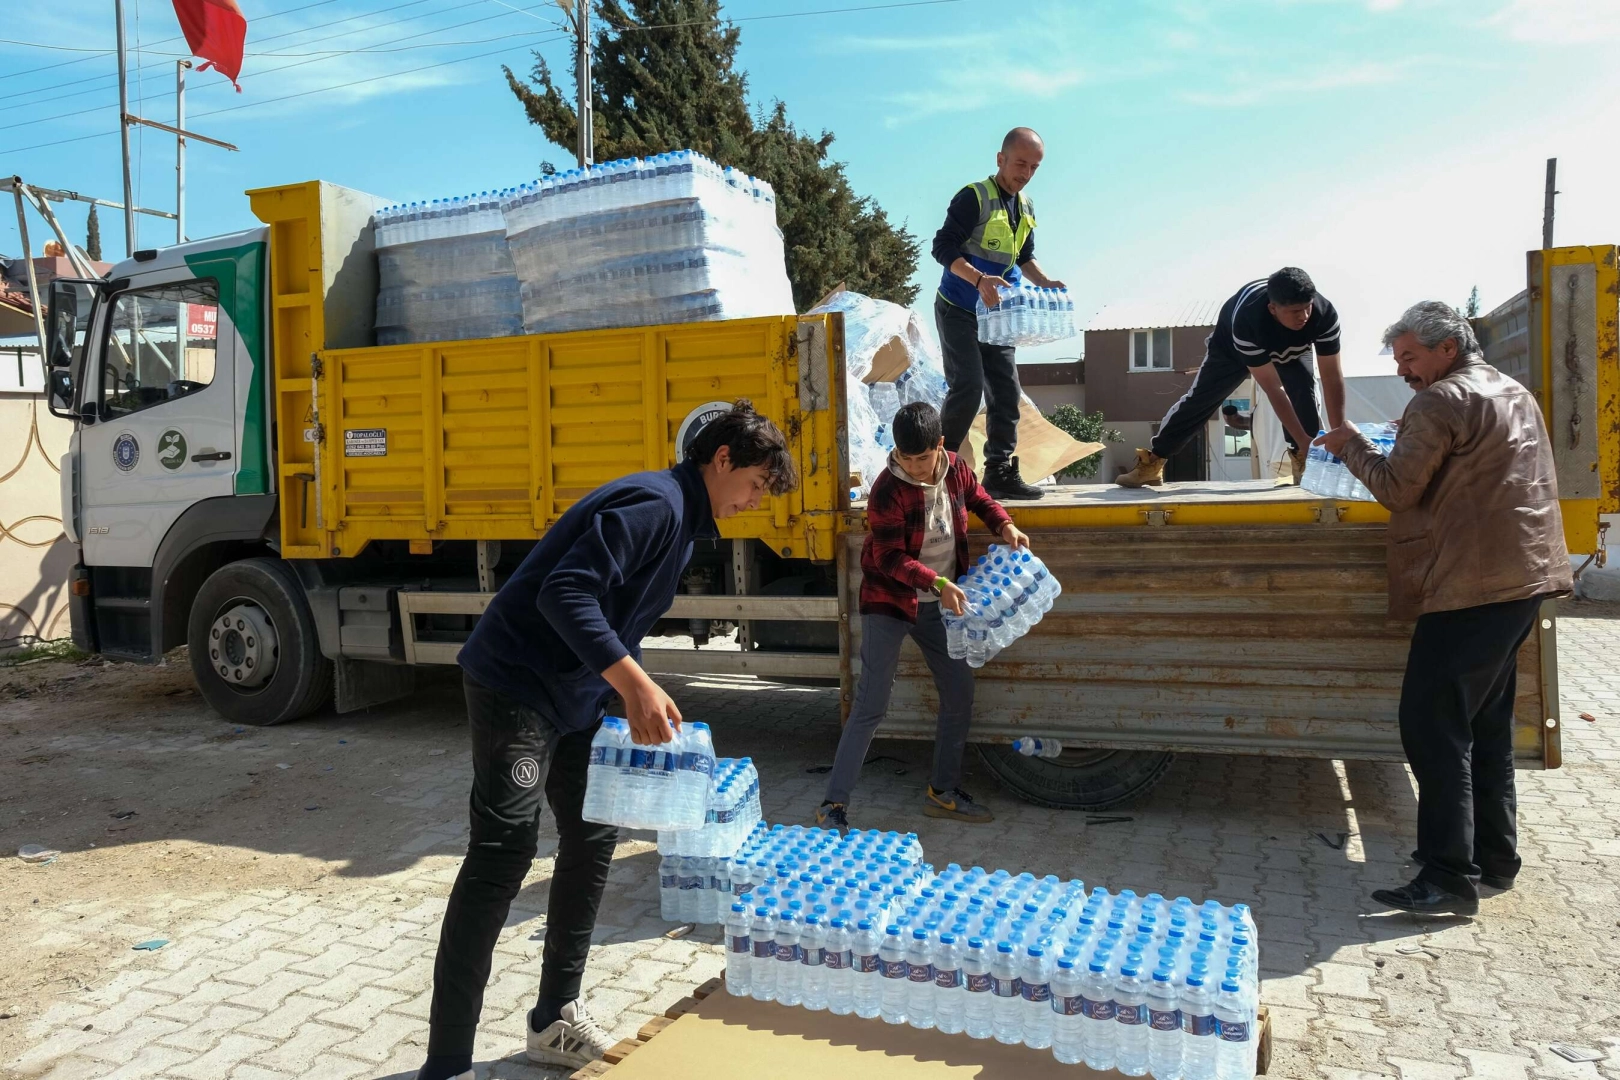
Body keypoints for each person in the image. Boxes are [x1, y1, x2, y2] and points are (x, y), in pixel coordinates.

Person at [414, 402, 798, 1080]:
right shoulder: (654, 504)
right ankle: (447, 1064)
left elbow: (612, 615)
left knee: (592, 836)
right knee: (502, 854)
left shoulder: (682, 522)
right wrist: (634, 685)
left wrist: (629, 688)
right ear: (722, 460)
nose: (754, 502)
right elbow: (564, 595)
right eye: (757, 485)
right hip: (516, 689)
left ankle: (554, 1019)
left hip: (573, 697)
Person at [1316, 302, 1572, 916]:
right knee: (1484, 726)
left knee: (1432, 726)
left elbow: (1399, 489)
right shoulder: (1512, 391)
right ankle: (1493, 856)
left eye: (1410, 357)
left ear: (1446, 349)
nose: (1404, 369)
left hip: (1470, 584)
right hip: (1523, 578)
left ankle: (1446, 878)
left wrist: (1351, 445)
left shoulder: (1441, 400)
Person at [816, 401, 1030, 831]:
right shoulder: (886, 490)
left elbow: (980, 498)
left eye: (922, 457)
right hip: (890, 604)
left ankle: (942, 792)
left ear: (941, 446)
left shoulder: (956, 467)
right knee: (871, 704)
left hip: (941, 606)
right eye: (904, 457)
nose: (913, 466)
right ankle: (833, 804)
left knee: (959, 693)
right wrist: (937, 583)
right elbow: (888, 557)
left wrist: (1004, 524)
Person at [932, 126, 1067, 501]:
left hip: (998, 316)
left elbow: (1024, 257)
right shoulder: (973, 197)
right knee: (969, 385)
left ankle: (999, 472)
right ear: (1000, 159)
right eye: (1020, 163)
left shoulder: (1025, 207)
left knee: (1007, 393)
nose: (1025, 173)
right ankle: (938, 471)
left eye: (1034, 167)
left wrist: (1045, 281)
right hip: (959, 307)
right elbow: (942, 246)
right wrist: (978, 280)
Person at [1116, 267, 1345, 487]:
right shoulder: (1248, 319)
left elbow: (1332, 377)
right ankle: (1152, 463)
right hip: (1231, 350)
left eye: (1307, 307)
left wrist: (1339, 433)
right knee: (1200, 401)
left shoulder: (1324, 315)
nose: (1304, 316)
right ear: (1273, 308)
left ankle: (1304, 464)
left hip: (1293, 348)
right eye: (1296, 311)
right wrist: (1305, 441)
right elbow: (1274, 390)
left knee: (1304, 393)